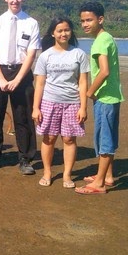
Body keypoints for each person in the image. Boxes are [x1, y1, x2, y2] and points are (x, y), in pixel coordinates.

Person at [0, 0, 40, 175]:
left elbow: (31, 54)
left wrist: (18, 79)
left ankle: (25, 158)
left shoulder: (31, 23)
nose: (15, 1)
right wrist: (0, 78)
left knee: (23, 117)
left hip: (21, 72)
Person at [32, 17, 89, 188]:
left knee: (69, 139)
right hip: (49, 102)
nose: (64, 34)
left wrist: (83, 107)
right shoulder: (45, 56)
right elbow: (40, 83)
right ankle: (47, 172)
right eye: (60, 30)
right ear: (53, 33)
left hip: (72, 103)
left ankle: (67, 175)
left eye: (67, 30)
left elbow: (83, 82)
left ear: (71, 32)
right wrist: (35, 108)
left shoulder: (79, 54)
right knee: (49, 138)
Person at [76, 2, 125, 195]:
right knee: (108, 137)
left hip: (105, 98)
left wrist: (89, 92)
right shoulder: (106, 38)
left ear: (100, 19)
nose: (85, 24)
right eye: (82, 21)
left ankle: (99, 184)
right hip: (111, 96)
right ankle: (107, 176)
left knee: (105, 140)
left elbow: (104, 71)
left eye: (89, 20)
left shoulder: (100, 41)